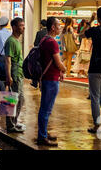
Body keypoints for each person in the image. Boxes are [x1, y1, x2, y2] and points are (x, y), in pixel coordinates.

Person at [37, 17, 66, 146]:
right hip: (50, 80)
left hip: (46, 78)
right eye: (58, 25)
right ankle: (42, 136)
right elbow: (58, 62)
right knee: (46, 109)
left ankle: (43, 132)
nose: (60, 27)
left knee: (45, 108)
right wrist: (64, 68)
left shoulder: (44, 40)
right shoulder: (52, 42)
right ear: (53, 27)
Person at [2, 17, 25, 133]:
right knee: (11, 99)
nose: (23, 27)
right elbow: (8, 60)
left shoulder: (17, 40)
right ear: (14, 27)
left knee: (20, 99)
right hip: (14, 74)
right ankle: (10, 125)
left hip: (19, 73)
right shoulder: (11, 41)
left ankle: (14, 122)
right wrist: (8, 76)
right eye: (21, 25)